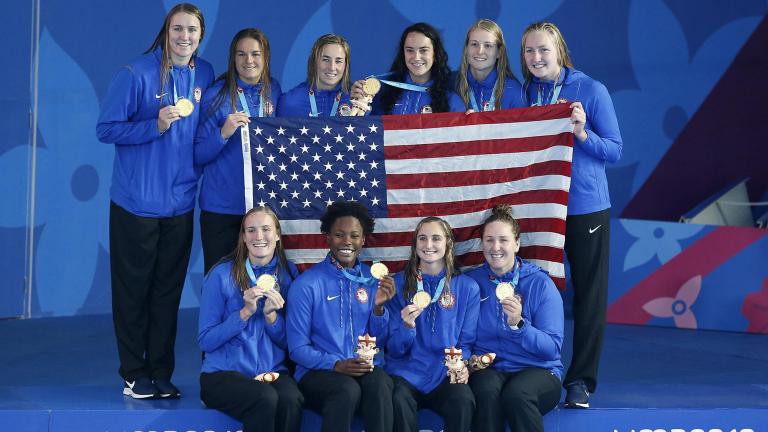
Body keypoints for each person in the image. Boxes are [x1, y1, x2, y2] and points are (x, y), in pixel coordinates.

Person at [96, 3, 214, 399]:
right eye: (178, 29)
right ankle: (133, 373)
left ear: (201, 35)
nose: (185, 37)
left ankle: (161, 372)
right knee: (133, 293)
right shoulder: (135, 74)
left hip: (180, 205)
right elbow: (106, 128)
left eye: (192, 31)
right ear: (166, 32)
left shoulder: (205, 73)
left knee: (168, 294)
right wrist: (155, 125)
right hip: (136, 205)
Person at [520, 21, 623, 408]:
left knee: (589, 296)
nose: (536, 58)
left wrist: (581, 133)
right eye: (529, 51)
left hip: (584, 208)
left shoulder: (591, 90)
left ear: (559, 50)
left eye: (543, 50)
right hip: (539, 206)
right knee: (534, 291)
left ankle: (580, 381)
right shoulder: (525, 91)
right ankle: (535, 368)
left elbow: (614, 149)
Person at [286, 201, 396, 432]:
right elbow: (297, 349)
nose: (347, 242)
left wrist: (378, 310)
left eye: (354, 235)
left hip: (363, 368)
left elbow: (383, 341)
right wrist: (335, 364)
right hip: (318, 373)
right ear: (327, 237)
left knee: (381, 382)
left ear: (363, 240)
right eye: (339, 234)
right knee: (346, 389)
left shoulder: (374, 280)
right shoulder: (306, 285)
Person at [198, 206, 303, 432]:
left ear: (277, 235)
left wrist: (271, 316)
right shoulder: (220, 275)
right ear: (243, 238)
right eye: (251, 230)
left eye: (266, 229)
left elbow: (291, 343)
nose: (259, 237)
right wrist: (244, 313)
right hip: (222, 374)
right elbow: (205, 341)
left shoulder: (288, 275)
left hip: (271, 371)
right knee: (264, 398)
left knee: (292, 399)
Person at [465, 205, 564, 432]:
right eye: (489, 240)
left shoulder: (540, 284)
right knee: (486, 392)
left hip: (538, 369)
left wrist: (519, 324)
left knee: (518, 395)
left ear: (517, 244)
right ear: (482, 244)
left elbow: (552, 350)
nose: (496, 247)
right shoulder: (471, 283)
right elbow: (462, 335)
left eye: (503, 240)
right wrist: (469, 361)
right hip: (490, 368)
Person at [195, 28, 282, 274]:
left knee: (261, 280)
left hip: (260, 207)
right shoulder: (216, 94)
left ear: (265, 58)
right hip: (222, 207)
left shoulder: (273, 91)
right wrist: (223, 133)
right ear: (233, 58)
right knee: (220, 279)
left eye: (255, 54)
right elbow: (198, 154)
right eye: (241, 54)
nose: (249, 61)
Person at [385, 217, 480, 432]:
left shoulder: (467, 288)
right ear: (414, 244)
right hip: (406, 372)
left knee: (463, 400)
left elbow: (466, 342)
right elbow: (394, 349)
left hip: (443, 374)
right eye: (422, 238)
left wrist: (462, 365)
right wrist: (406, 328)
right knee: (397, 398)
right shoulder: (398, 285)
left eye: (436, 238)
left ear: (448, 244)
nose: (428, 245)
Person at [368, 22, 454, 115]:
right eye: (410, 50)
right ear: (403, 53)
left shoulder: (451, 99)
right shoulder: (383, 93)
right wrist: (358, 102)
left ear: (435, 53)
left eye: (423, 50)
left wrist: (470, 119)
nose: (416, 57)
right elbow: (364, 125)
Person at [449, 19, 524, 112]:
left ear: (499, 52)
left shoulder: (514, 91)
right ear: (466, 49)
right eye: (474, 44)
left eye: (488, 45)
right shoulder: (450, 83)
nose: (480, 51)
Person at [277, 34, 353, 117]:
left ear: (346, 65)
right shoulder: (290, 103)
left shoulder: (357, 98)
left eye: (338, 61)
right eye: (325, 60)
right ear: (314, 62)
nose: (332, 67)